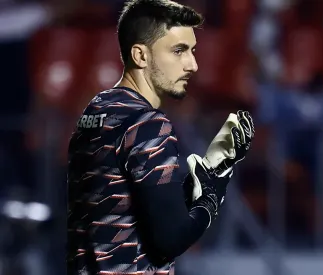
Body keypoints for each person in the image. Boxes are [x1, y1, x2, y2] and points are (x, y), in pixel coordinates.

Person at [66, 0, 255, 274]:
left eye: (192, 51)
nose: (192, 65)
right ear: (141, 55)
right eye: (178, 51)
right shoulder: (147, 125)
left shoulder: (96, 110)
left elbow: (134, 206)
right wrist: (214, 185)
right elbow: (169, 241)